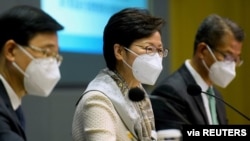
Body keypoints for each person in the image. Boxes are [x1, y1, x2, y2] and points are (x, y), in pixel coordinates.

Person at [72, 8, 167, 141]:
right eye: (149, 49)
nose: (156, 57)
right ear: (120, 52)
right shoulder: (97, 100)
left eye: (160, 50)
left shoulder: (138, 93)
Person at [150, 14, 245, 131]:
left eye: (236, 59)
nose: (232, 65)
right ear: (202, 50)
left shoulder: (215, 95)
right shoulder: (170, 93)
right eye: (227, 56)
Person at [0, 5, 63, 141]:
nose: (52, 63)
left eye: (56, 55)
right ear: (11, 50)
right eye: (46, 52)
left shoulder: (13, 104)